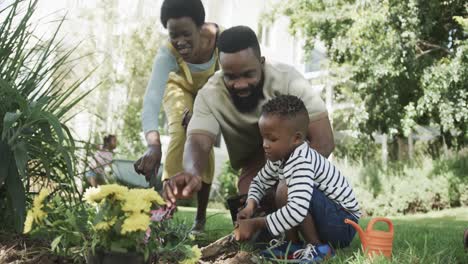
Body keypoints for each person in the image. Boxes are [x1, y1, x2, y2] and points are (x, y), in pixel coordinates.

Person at [163, 26, 335, 219]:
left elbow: (324, 141)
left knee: (289, 197)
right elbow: (198, 141)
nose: (241, 84)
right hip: (254, 163)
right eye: (231, 77)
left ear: (262, 63)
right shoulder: (210, 93)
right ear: (221, 69)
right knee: (250, 224)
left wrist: (288, 180)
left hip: (295, 156)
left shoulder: (289, 80)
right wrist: (192, 172)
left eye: (248, 74)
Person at [234, 95, 360, 262]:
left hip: (343, 224)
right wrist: (250, 205)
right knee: (283, 188)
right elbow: (259, 181)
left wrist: (255, 223)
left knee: (285, 187)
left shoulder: (302, 161)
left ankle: (319, 248)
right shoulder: (280, 156)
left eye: (272, 139)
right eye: (263, 137)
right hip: (331, 218)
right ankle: (292, 244)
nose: (265, 144)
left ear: (297, 139)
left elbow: (297, 210)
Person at [134, 0, 221, 233]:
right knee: (181, 130)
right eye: (174, 35)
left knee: (201, 136)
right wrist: (153, 146)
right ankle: (165, 212)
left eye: (186, 34)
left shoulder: (220, 43)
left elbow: (226, 90)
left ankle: (200, 217)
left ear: (200, 27)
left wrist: (205, 120)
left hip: (211, 90)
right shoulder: (167, 53)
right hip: (178, 87)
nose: (180, 41)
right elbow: (151, 101)